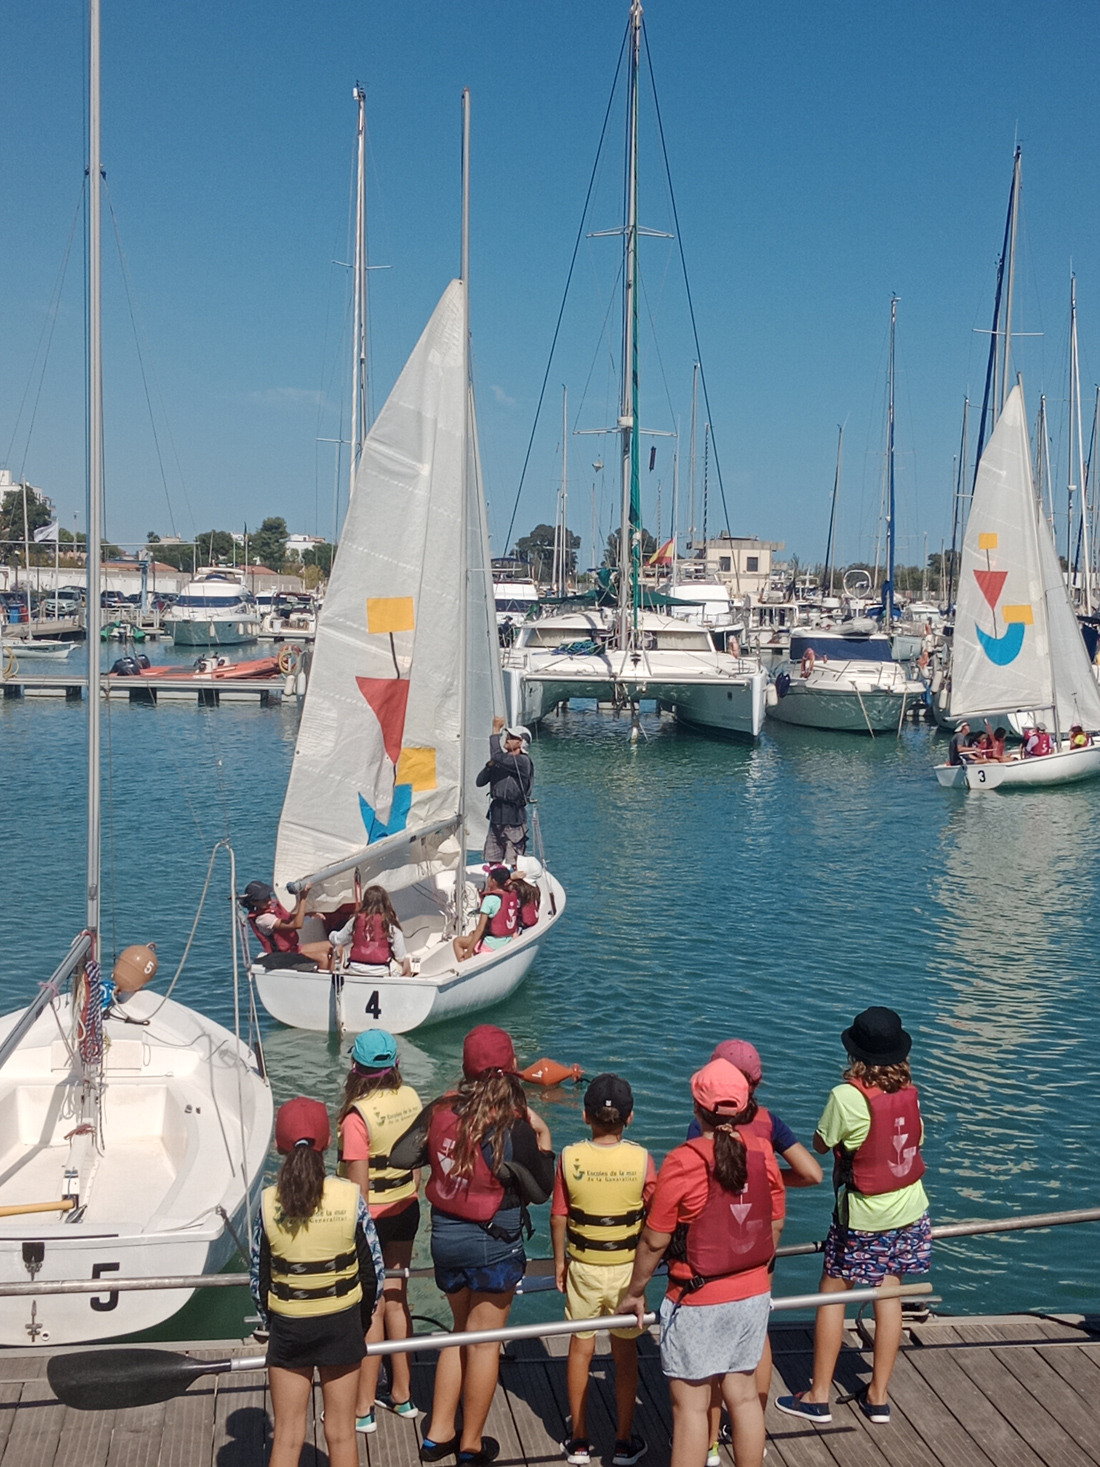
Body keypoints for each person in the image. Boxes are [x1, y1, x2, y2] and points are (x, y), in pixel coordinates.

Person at [389, 1025, 555, 1467]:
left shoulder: (442, 1109)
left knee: (458, 1333)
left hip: (445, 1239)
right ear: (512, 1069)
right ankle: (471, 1445)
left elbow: (401, 1156)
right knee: (484, 1343)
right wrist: (545, 1140)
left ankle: (437, 1433)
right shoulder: (511, 1129)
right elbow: (541, 1191)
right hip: (494, 1246)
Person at [620, 1060, 784, 1467]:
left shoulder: (684, 1160)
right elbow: (775, 1220)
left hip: (698, 1298)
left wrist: (635, 1292)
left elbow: (655, 1239)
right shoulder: (762, 1151)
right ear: (747, 1108)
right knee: (744, 1397)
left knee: (692, 1410)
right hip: (753, 1294)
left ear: (697, 1107)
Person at [776, 1006, 930, 1427]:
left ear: (855, 1055)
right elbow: (916, 1140)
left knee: (833, 1291)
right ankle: (878, 1396)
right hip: (911, 1208)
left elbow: (822, 1144)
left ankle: (818, 1395)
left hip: (864, 1214)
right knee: (889, 1291)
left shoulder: (847, 1096)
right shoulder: (911, 1090)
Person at [686, 1039, 822, 1449]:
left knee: (708, 1348)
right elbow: (813, 1173)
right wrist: (772, 1181)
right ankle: (750, 1424)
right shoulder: (769, 1121)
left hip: (714, 1252)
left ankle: (707, 1440)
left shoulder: (703, 1127)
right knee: (755, 1334)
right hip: (760, 1247)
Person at [251, 1098, 385, 1467]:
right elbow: (374, 1272)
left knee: (288, 1437)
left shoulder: (267, 1203)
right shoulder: (349, 1197)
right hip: (340, 1323)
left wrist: (273, 1320)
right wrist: (358, 1322)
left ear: (279, 1145)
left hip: (289, 1327)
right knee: (341, 1434)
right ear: (327, 1143)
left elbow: (258, 1281)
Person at [551, 1074, 657, 1467]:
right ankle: (624, 1440)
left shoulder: (569, 1157)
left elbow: (559, 1216)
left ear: (585, 1116)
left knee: (581, 1348)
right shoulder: (642, 1159)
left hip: (584, 1268)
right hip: (628, 1272)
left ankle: (578, 1438)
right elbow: (656, 1215)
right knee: (624, 1354)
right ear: (629, 1119)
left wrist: (561, 1262)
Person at [337, 1030, 424, 1433]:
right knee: (396, 1297)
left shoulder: (357, 1116)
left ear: (356, 1067)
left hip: (372, 1219)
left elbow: (358, 1190)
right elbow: (417, 1167)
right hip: (407, 1208)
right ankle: (404, 1396)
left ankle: (363, 1406)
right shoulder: (411, 1098)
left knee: (369, 1306)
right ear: (395, 1065)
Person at [476, 715, 533, 865]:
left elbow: (497, 755)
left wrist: (495, 730)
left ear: (521, 743)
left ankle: (513, 887)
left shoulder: (523, 761)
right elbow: (480, 782)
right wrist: (489, 767)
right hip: (496, 816)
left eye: (511, 737)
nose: (506, 738)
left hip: (514, 818)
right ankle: (495, 885)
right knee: (493, 860)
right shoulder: (501, 761)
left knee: (514, 861)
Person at [239, 880, 333, 970]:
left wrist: (309, 914)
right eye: (263, 900)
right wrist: (303, 897)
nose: (268, 901)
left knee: (334, 946)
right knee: (323, 957)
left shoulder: (270, 909)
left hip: (293, 948)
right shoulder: (263, 919)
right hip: (281, 954)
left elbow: (287, 917)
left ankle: (335, 980)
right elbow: (297, 924)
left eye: (268, 897)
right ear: (253, 902)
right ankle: (324, 984)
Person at [331, 885, 413, 976]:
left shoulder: (355, 920)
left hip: (356, 968)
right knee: (406, 961)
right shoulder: (390, 924)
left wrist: (331, 935)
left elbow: (338, 939)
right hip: (381, 970)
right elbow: (400, 956)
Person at [453, 867, 519, 962]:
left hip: (493, 944)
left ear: (493, 881)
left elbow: (480, 928)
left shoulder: (489, 900)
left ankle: (464, 965)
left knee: (458, 942)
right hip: (508, 938)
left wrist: (469, 952)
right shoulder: (510, 894)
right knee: (472, 933)